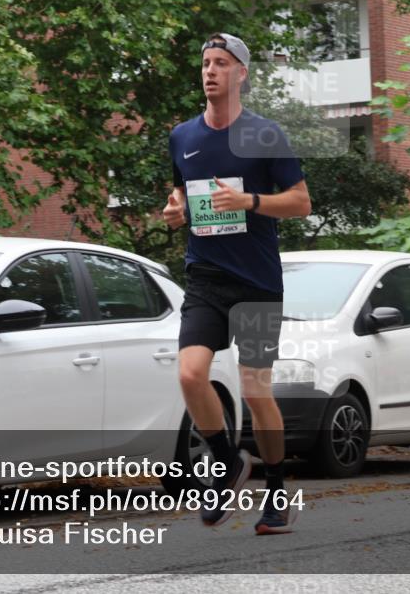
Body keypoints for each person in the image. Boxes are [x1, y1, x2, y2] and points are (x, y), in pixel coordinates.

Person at [162, 32, 311, 535]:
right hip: (206, 277)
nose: (210, 71)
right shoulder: (183, 136)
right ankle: (227, 461)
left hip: (257, 283)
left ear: (241, 73)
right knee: (189, 374)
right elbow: (180, 193)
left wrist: (250, 202)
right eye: (205, 63)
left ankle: (276, 490)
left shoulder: (265, 135)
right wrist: (175, 211)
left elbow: (300, 202)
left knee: (254, 390)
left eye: (221, 63)